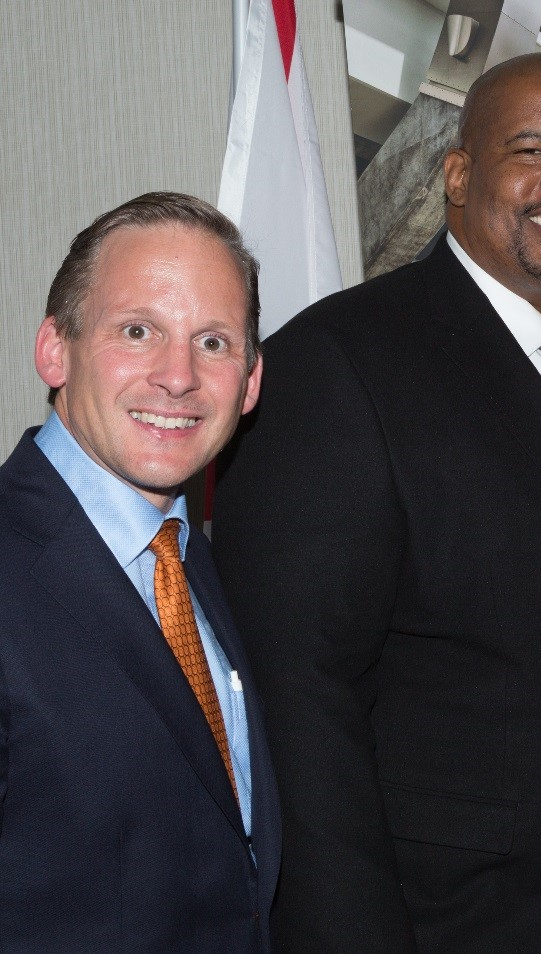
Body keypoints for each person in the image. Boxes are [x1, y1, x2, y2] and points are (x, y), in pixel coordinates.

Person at [212, 52, 541, 953]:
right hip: (463, 923)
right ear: (458, 175)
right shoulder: (340, 365)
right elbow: (300, 705)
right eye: (530, 149)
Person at [0, 192, 278, 950]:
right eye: (137, 331)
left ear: (250, 383)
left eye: (215, 343)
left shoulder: (191, 559)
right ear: (55, 348)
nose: (178, 376)